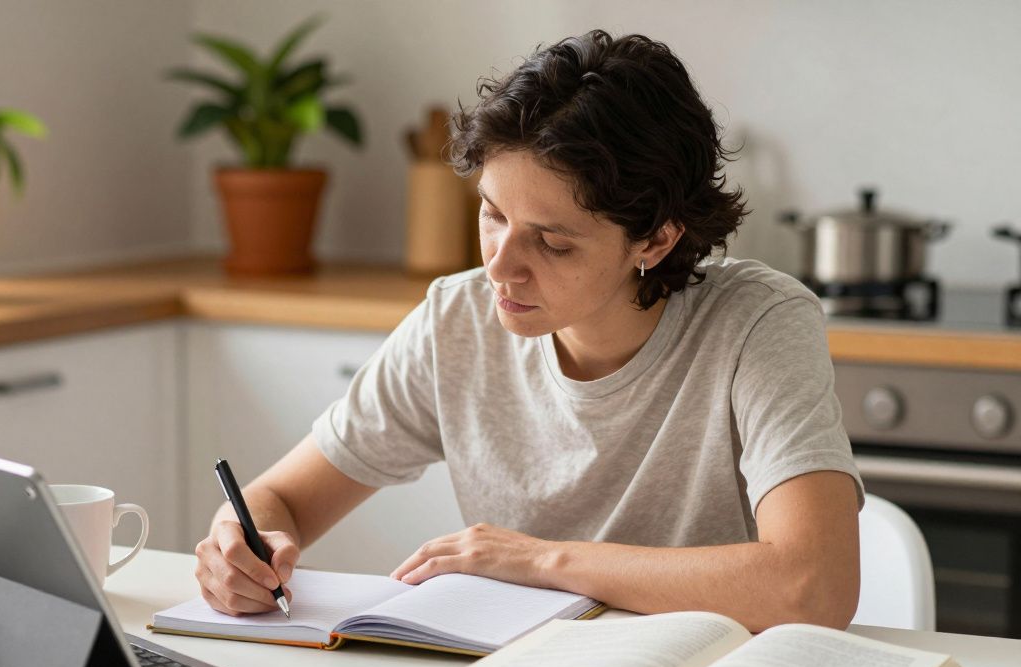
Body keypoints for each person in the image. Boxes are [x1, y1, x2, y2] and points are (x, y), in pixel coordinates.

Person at [193, 30, 864, 632]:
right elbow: (278, 499)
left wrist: (542, 561)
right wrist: (239, 545)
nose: (500, 267)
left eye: (551, 243)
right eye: (491, 214)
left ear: (656, 240)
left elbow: (814, 587)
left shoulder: (756, 325)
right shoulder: (455, 321)